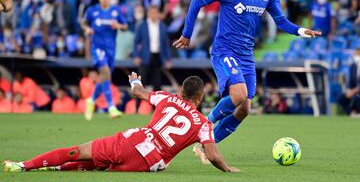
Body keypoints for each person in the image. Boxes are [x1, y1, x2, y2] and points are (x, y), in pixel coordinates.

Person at [173, 0, 322, 158]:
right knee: (239, 94)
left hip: (245, 55)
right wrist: (187, 34)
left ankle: (206, 147)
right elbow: (197, 1)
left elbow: (280, 21)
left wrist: (300, 30)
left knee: (244, 109)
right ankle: (203, 124)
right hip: (224, 50)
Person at [2, 72, 239, 173]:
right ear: (199, 98)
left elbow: (140, 93)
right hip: (151, 164)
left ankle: (23, 166)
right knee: (99, 167)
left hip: (136, 141)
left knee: (79, 152)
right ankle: (54, 168)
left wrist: (135, 82)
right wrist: (227, 169)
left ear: (181, 90)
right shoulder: (202, 123)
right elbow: (213, 154)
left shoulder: (167, 98)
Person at [81, 0, 128, 120]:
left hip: (111, 49)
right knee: (106, 72)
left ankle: (91, 100)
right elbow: (84, 22)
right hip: (97, 47)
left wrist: (118, 25)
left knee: (104, 77)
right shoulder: (92, 11)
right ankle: (111, 107)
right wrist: (88, 28)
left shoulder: (115, 11)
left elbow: (125, 26)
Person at [133, 5, 172, 92]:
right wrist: (136, 56)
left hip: (158, 56)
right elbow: (136, 41)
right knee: (141, 82)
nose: (154, 15)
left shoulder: (162, 26)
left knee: (157, 82)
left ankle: (155, 105)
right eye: (152, 13)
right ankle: (140, 104)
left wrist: (168, 59)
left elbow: (166, 43)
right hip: (145, 56)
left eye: (155, 13)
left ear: (158, 14)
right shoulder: (142, 25)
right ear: (148, 14)